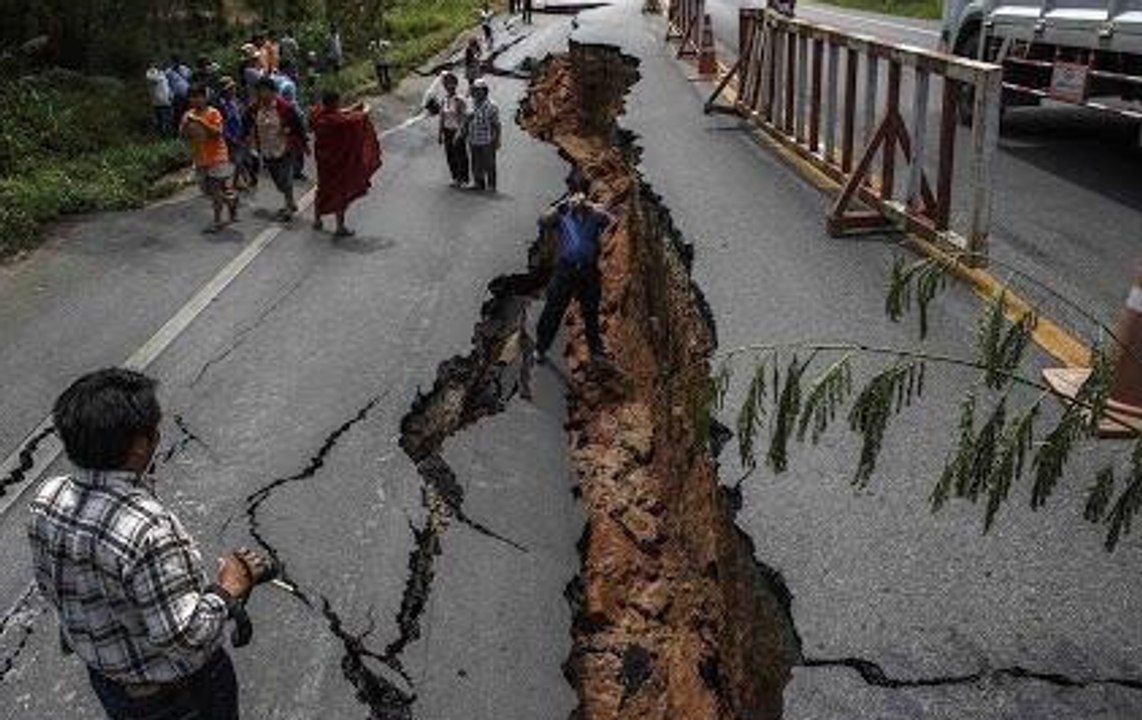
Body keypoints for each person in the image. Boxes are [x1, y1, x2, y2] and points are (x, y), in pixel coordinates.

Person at [28, 368, 272, 720]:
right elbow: (186, 637)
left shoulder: (47, 497)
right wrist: (229, 587)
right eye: (154, 430)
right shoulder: (147, 531)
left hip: (110, 683)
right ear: (141, 444)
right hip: (175, 695)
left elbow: (51, 587)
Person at [534, 178, 617, 367]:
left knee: (590, 311)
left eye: (581, 201)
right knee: (553, 309)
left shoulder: (594, 215)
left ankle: (596, 351)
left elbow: (613, 221)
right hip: (566, 269)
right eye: (574, 201)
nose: (577, 205)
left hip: (588, 270)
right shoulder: (563, 215)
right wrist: (560, 205)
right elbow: (542, 221)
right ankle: (541, 348)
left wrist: (595, 208)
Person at [309, 91, 382, 237]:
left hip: (323, 160)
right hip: (339, 161)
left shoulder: (318, 115)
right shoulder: (339, 121)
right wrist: (366, 108)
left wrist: (353, 107)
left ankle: (317, 220)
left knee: (323, 188)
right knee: (340, 192)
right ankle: (340, 226)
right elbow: (359, 117)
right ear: (335, 102)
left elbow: (341, 112)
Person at [245, 76, 308, 221]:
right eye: (259, 91)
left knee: (284, 177)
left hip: (285, 147)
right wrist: (247, 137)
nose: (262, 95)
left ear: (273, 92)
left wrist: (299, 139)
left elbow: (298, 125)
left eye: (265, 91)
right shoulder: (255, 108)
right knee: (278, 181)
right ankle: (291, 200)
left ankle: (287, 207)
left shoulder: (284, 107)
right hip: (267, 148)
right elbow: (246, 121)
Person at [181, 84, 238, 233]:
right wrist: (185, 126)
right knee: (207, 190)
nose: (195, 100)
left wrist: (200, 122)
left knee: (215, 189)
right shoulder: (188, 115)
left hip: (217, 156)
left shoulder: (214, 113)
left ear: (205, 97)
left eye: (198, 96)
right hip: (200, 158)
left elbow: (217, 133)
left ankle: (217, 221)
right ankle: (230, 201)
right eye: (192, 97)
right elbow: (183, 135)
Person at [215, 77, 256, 193]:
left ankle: (240, 181)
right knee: (237, 161)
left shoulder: (235, 101)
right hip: (231, 137)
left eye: (233, 88)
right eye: (230, 89)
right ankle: (234, 184)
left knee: (243, 159)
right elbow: (223, 124)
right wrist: (230, 137)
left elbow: (241, 117)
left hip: (240, 135)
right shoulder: (221, 106)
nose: (233, 90)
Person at [466, 78, 501, 192]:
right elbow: (466, 119)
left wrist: (497, 140)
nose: (476, 92)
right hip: (473, 138)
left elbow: (496, 125)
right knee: (476, 163)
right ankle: (478, 183)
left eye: (479, 90)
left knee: (489, 163)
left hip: (487, 139)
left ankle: (491, 185)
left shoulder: (492, 106)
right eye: (475, 90)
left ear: (485, 91)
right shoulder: (471, 103)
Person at [437, 72, 469, 187]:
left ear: (456, 84)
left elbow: (464, 118)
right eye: (446, 83)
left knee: (460, 155)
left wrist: (459, 132)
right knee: (450, 155)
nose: (448, 85)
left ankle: (464, 179)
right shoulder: (444, 100)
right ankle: (455, 177)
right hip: (447, 131)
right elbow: (442, 117)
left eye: (451, 83)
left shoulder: (459, 100)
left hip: (457, 130)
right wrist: (440, 133)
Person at [145, 63, 173, 136]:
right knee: (160, 121)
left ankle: (167, 135)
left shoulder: (162, 74)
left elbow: (167, 87)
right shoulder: (151, 74)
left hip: (166, 101)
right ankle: (162, 136)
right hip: (158, 102)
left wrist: (170, 95)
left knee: (167, 120)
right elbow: (153, 79)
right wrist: (154, 70)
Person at [166, 56, 191, 130]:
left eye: (177, 62)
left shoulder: (185, 69)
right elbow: (166, 84)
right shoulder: (168, 72)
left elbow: (190, 78)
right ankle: (177, 131)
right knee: (177, 114)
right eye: (174, 62)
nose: (176, 63)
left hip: (187, 94)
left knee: (187, 113)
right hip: (177, 96)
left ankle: (188, 129)